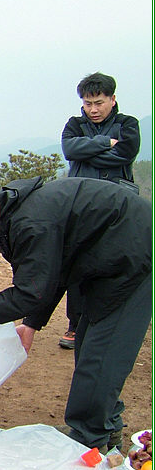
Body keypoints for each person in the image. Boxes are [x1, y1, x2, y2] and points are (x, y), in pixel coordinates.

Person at [0, 177, 151, 453]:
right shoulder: (19, 216)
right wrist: (31, 324)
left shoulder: (30, 223)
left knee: (101, 352)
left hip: (133, 258)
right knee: (90, 347)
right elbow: (51, 274)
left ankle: (88, 438)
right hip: (107, 258)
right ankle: (106, 427)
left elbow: (32, 291)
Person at [59, 72, 140, 351]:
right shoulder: (75, 124)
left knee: (113, 263)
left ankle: (105, 323)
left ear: (112, 99)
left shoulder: (128, 124)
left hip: (116, 205)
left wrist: (87, 151)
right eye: (87, 103)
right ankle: (75, 323)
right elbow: (70, 149)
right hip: (80, 204)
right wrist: (106, 143)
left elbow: (127, 153)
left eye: (99, 102)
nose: (93, 110)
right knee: (78, 263)